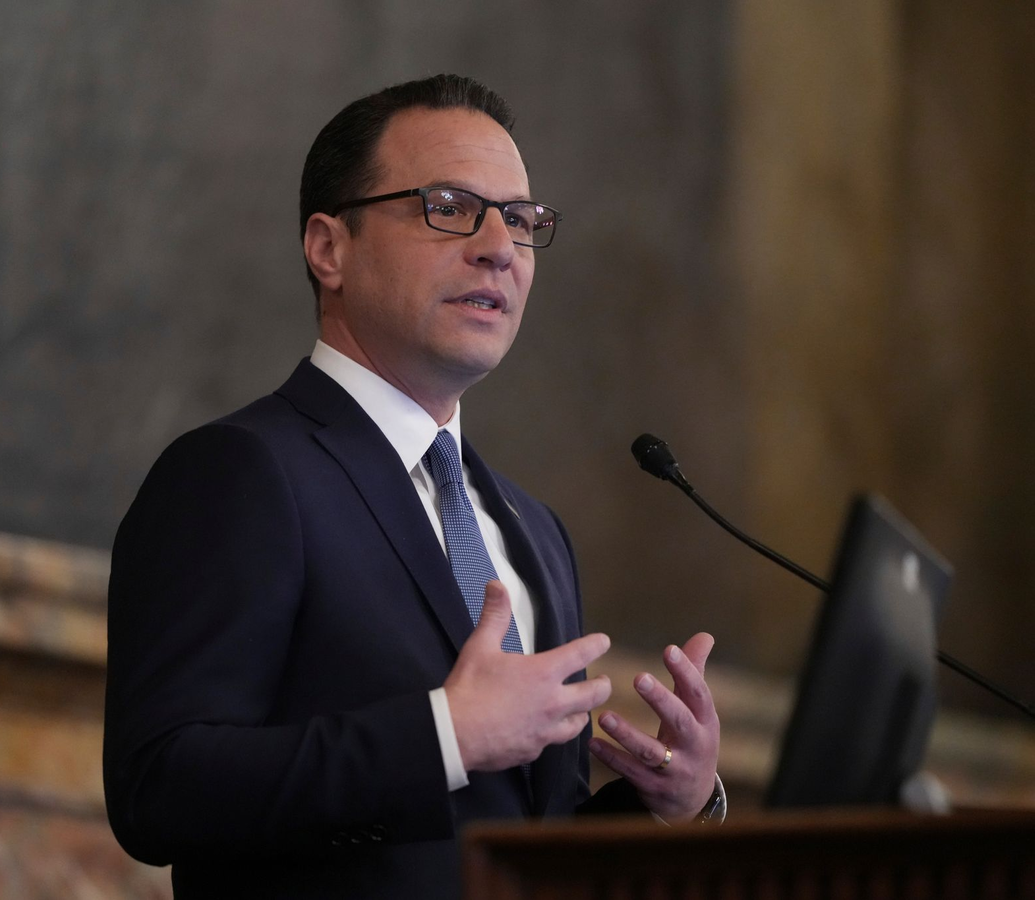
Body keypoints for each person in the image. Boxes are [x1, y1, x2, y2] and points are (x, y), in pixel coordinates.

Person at [103, 74, 723, 899]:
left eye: (521, 219)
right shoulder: (242, 473)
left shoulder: (535, 533)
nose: (500, 247)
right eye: (450, 207)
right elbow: (158, 786)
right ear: (330, 249)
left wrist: (671, 808)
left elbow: (518, 836)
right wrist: (442, 737)